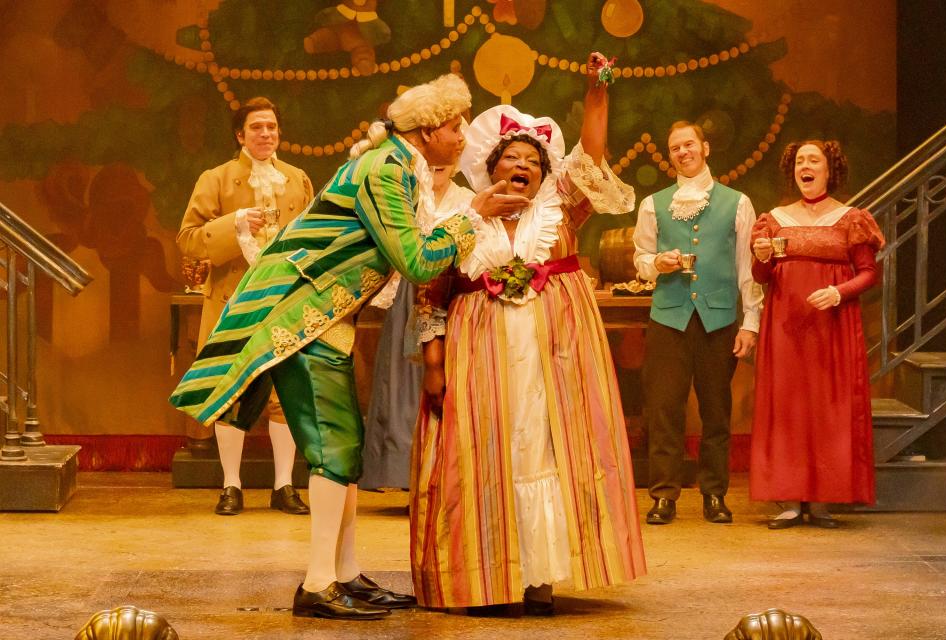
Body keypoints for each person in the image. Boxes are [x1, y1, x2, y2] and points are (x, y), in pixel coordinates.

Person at [170, 74, 511, 620]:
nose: (462, 134)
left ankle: (345, 573)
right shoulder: (384, 170)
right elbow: (418, 260)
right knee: (333, 449)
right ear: (426, 131)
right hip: (305, 318)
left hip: (328, 319)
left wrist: (470, 215)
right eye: (454, 125)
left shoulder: (399, 167)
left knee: (344, 450)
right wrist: (476, 217)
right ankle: (318, 583)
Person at [410, 53, 645, 616]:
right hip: (478, 356)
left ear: (545, 174)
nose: (520, 167)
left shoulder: (560, 212)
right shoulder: (463, 219)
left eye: (531, 161)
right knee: (484, 456)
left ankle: (539, 578)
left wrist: (597, 92)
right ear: (490, 168)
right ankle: (488, 577)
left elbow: (593, 155)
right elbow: (431, 293)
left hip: (553, 355)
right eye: (509, 158)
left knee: (542, 449)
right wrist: (435, 365)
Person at [178, 97, 313, 516]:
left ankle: (284, 485)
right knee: (231, 392)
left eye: (271, 127)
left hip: (283, 303)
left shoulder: (297, 180)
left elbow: (313, 236)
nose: (266, 134)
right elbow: (188, 238)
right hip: (233, 303)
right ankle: (231, 485)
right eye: (257, 127)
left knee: (284, 395)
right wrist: (233, 225)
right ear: (240, 135)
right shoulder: (216, 179)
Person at [632, 121, 761, 525]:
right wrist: (657, 263)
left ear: (705, 147)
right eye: (675, 148)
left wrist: (750, 322)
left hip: (718, 318)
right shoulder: (654, 204)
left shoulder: (737, 202)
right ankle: (664, 495)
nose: (682, 152)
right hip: (668, 318)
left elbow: (747, 267)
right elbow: (640, 258)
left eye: (688, 144)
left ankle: (714, 494)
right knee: (664, 410)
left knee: (716, 411)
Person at [750, 139, 883, 529]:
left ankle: (824, 499)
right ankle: (789, 500)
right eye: (799, 161)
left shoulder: (849, 218)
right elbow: (762, 276)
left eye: (814, 160)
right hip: (786, 327)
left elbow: (870, 273)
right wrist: (761, 259)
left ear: (829, 170)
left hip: (832, 329)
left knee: (828, 408)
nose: (805, 166)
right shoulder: (774, 219)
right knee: (788, 407)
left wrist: (838, 292)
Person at [359, 162, 474, 491]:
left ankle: (446, 476)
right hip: (409, 296)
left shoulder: (467, 200)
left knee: (447, 383)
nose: (439, 165)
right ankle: (404, 473)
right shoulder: (407, 197)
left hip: (452, 301)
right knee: (401, 387)